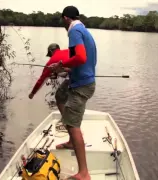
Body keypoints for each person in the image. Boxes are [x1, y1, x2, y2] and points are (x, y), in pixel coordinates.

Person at [48, 5, 97, 180]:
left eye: (62, 20)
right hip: (79, 80)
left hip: (82, 86)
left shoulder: (74, 31)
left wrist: (61, 65)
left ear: (65, 18)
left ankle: (84, 173)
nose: (62, 23)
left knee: (72, 124)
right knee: (60, 96)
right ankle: (71, 141)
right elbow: (84, 62)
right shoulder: (83, 30)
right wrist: (65, 69)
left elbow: (81, 57)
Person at [28, 43, 70, 118]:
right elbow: (69, 69)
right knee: (67, 96)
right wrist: (59, 74)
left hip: (74, 77)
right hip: (82, 74)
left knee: (59, 96)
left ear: (51, 51)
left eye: (50, 55)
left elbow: (41, 80)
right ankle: (70, 117)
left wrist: (32, 93)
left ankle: (67, 121)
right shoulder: (68, 51)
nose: (50, 57)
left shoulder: (51, 62)